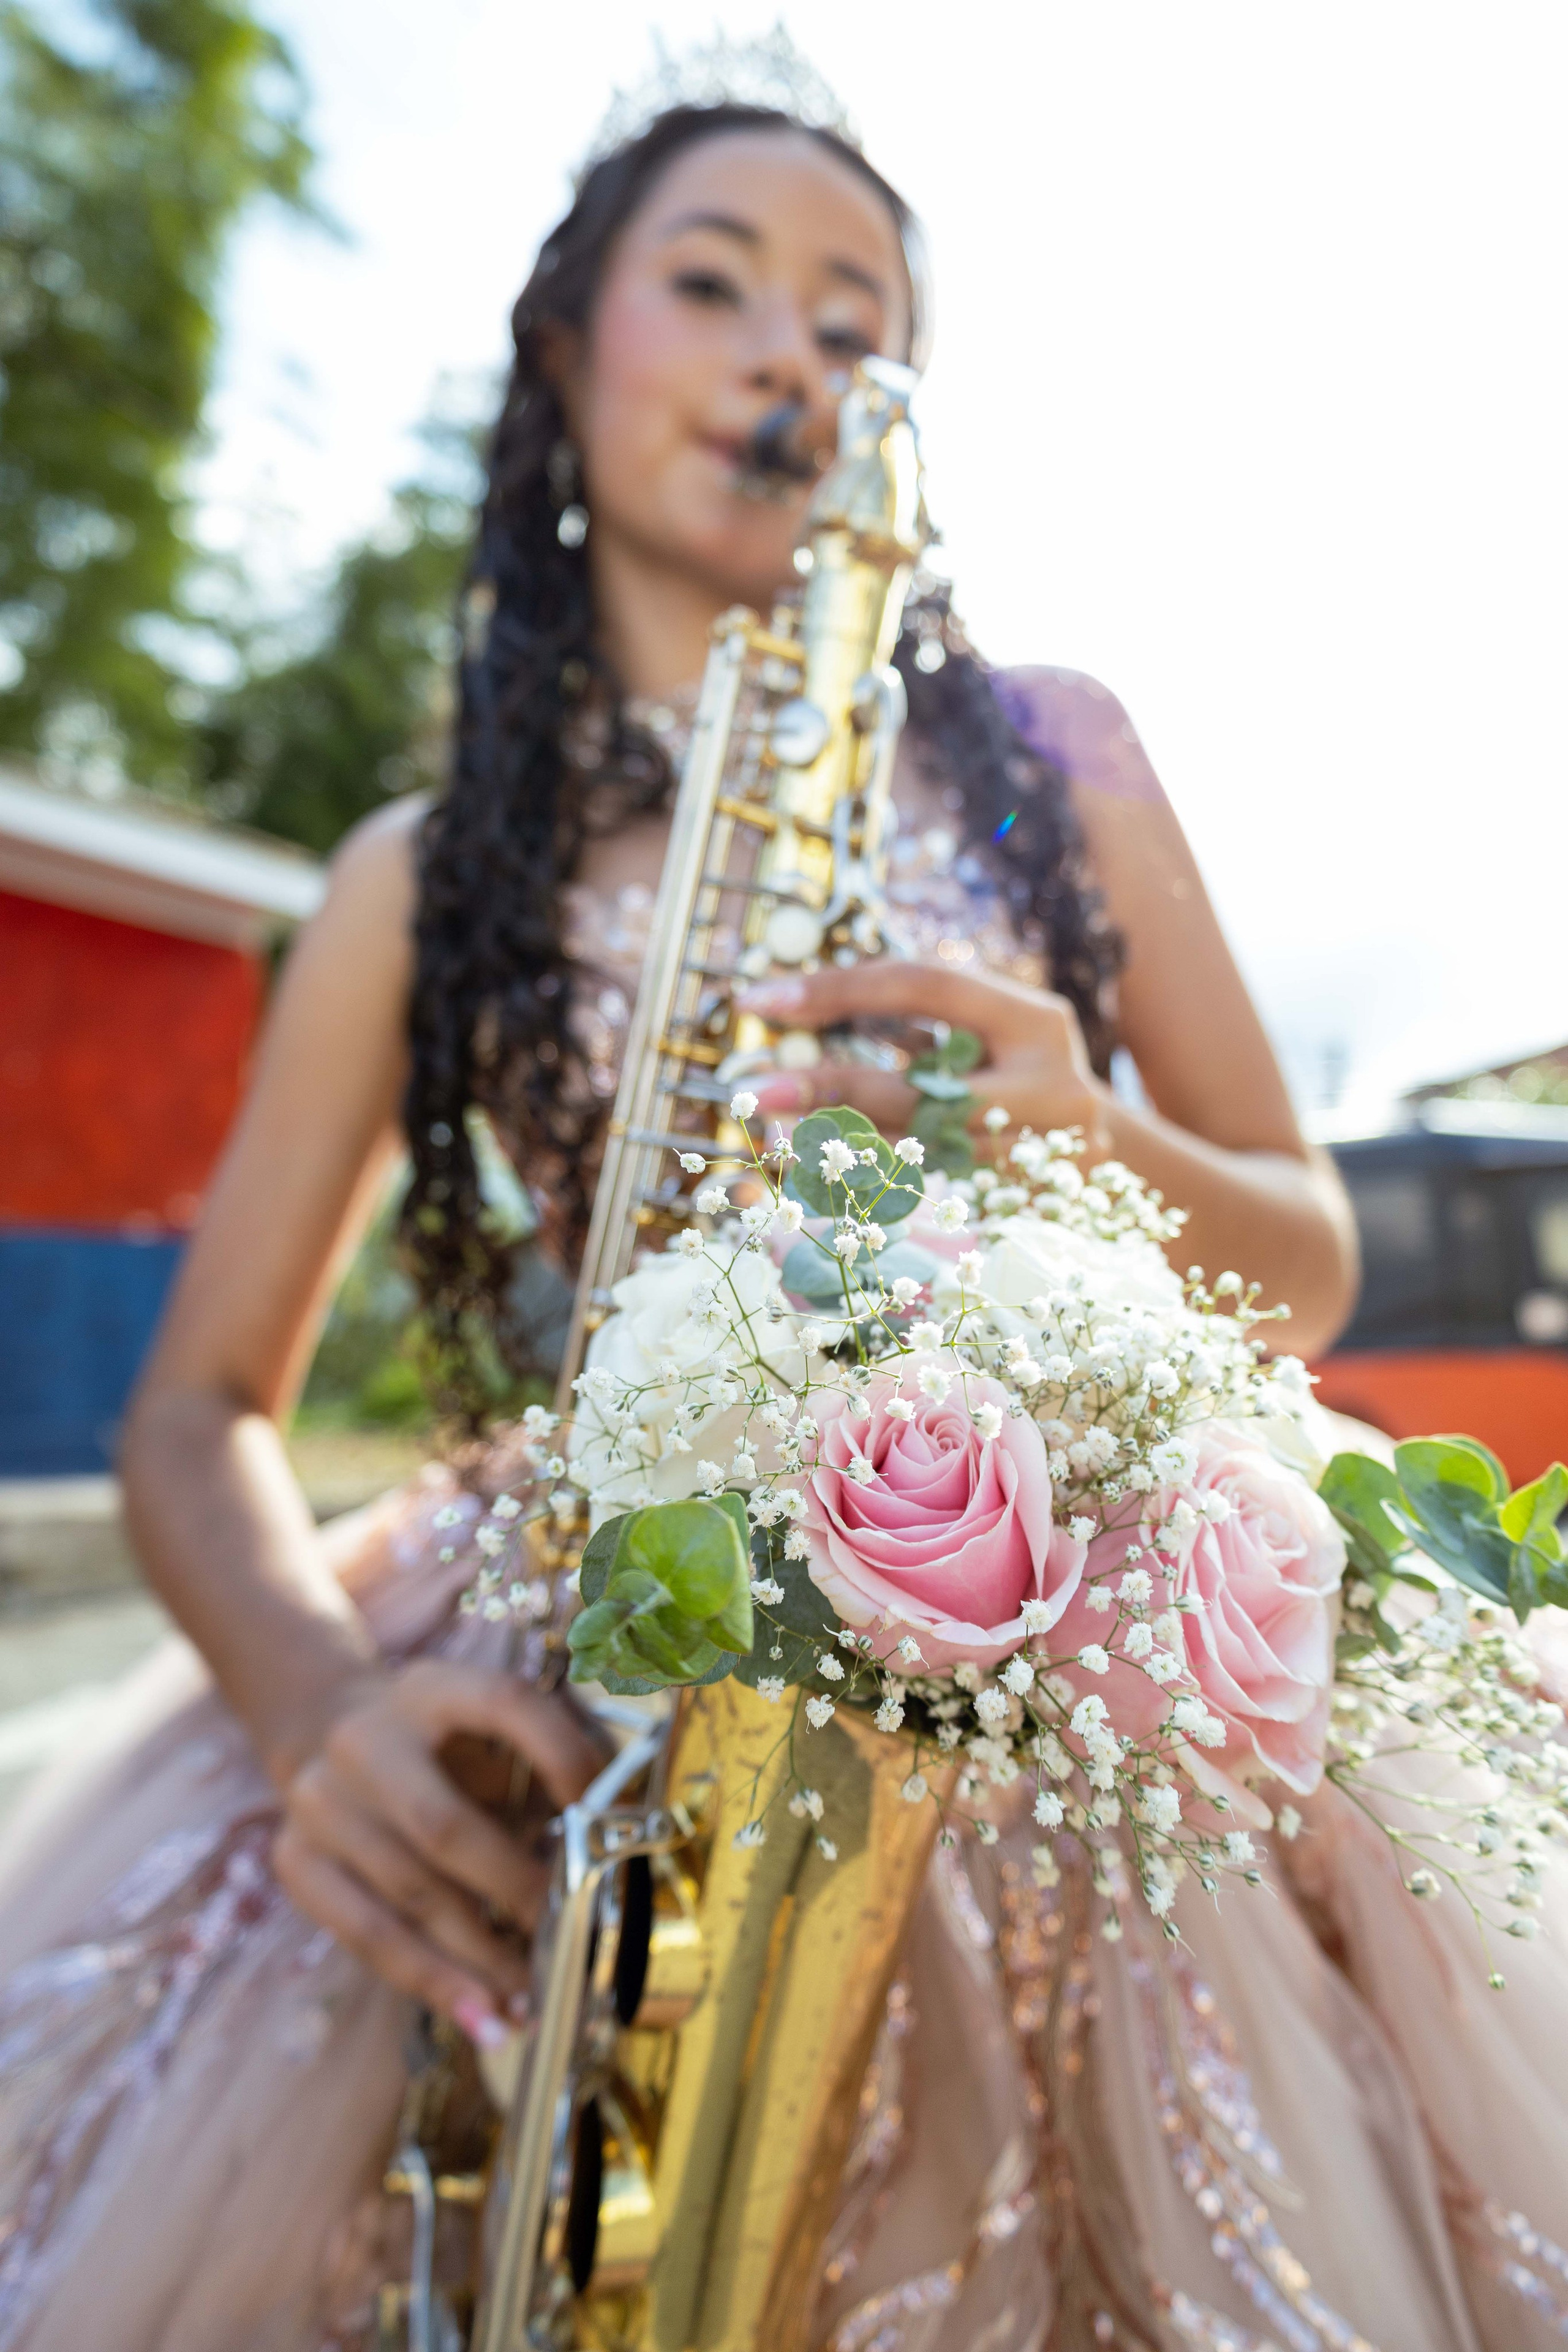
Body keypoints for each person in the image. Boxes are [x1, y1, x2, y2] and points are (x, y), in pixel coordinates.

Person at [0, 56, 1564, 2352]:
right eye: (717, 284)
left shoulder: (1061, 750)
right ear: (564, 354)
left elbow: (1302, 1253)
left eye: (856, 321)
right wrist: (317, 1709)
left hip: (1069, 1631)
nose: (789, 358)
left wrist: (1083, 1134)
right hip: (586, 1661)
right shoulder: (415, 876)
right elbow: (198, 1408)